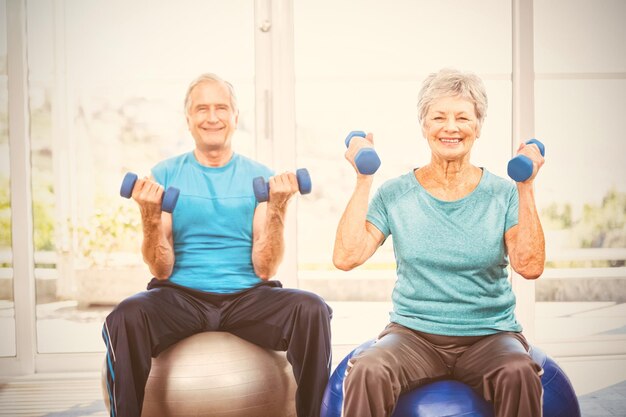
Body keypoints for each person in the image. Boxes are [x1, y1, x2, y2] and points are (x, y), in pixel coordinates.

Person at [102, 73, 332, 417]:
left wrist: (279, 207)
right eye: (202, 109)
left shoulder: (260, 177)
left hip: (248, 299)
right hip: (179, 296)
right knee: (125, 316)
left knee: (311, 309)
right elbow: (160, 268)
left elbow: (265, 268)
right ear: (188, 119)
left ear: (236, 117)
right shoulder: (164, 173)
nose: (212, 117)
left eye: (221, 108)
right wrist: (150, 215)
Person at [333, 68, 545, 417]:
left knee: (518, 372)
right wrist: (363, 179)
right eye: (439, 117)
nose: (451, 127)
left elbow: (529, 266)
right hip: (413, 335)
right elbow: (346, 256)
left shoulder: (502, 194)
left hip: (489, 335)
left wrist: (526, 186)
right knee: (369, 369)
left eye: (463, 117)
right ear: (424, 125)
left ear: (478, 127)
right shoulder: (396, 193)